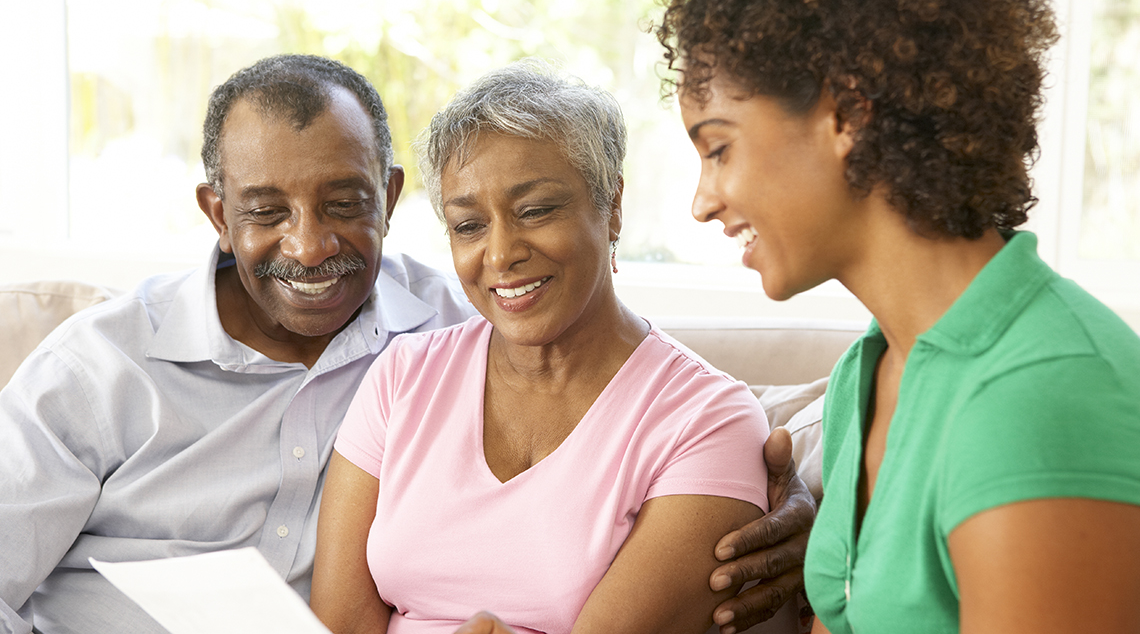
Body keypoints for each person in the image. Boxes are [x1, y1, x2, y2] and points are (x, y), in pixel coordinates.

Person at [655, 0, 1140, 632]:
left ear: (848, 113)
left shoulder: (1040, 391)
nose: (703, 201)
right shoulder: (871, 371)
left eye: (718, 149)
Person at [0, 54, 476, 634]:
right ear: (219, 215)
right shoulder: (96, 366)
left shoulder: (466, 336)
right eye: (267, 212)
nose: (309, 246)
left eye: (344, 205)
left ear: (390, 196)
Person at [310, 60, 774, 634]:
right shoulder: (402, 378)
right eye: (468, 225)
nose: (501, 254)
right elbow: (338, 624)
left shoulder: (706, 421)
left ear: (613, 206)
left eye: (535, 211)